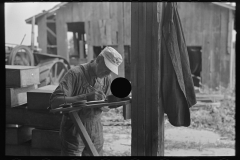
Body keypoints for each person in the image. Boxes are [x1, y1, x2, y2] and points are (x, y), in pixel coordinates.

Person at [50, 46, 123, 156]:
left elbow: (105, 102)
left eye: (111, 71)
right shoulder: (75, 74)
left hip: (96, 130)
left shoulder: (106, 78)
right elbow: (55, 102)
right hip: (74, 130)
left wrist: (116, 101)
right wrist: (85, 97)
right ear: (98, 59)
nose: (108, 73)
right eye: (107, 69)